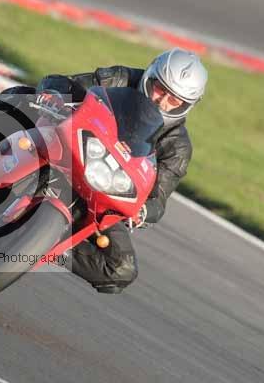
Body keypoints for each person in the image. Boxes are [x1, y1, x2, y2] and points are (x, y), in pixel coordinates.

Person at [32, 48, 208, 293]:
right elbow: (66, 83)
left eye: (174, 100)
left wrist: (142, 212)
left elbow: (158, 200)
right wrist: (55, 95)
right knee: (20, 96)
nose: (162, 101)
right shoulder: (120, 78)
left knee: (121, 268)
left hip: (103, 189)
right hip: (67, 150)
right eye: (160, 89)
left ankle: (40, 247)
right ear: (150, 76)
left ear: (186, 105)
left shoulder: (178, 147)